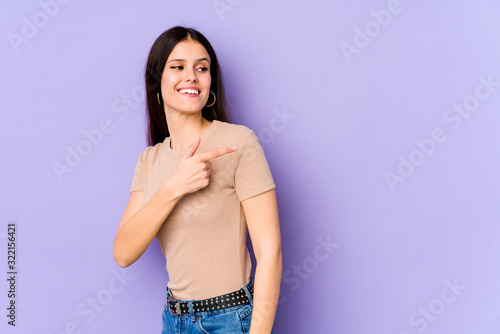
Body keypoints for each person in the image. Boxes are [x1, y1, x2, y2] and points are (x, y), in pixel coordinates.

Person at [113, 26, 282, 334]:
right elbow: (123, 253)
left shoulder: (238, 142)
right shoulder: (149, 160)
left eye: (201, 68)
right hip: (173, 320)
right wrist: (174, 187)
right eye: (177, 67)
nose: (191, 76)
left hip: (229, 318)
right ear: (156, 82)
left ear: (210, 82)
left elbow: (270, 252)